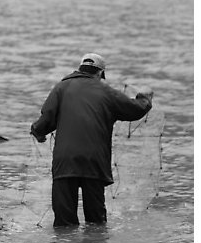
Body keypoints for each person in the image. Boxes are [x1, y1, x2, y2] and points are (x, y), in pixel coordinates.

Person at [30, 53, 153, 227]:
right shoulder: (107, 92)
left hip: (65, 161)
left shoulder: (61, 88)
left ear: (79, 69)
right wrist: (145, 99)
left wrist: (37, 131)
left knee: (64, 222)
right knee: (96, 221)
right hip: (94, 162)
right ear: (100, 74)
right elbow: (134, 110)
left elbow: (47, 118)